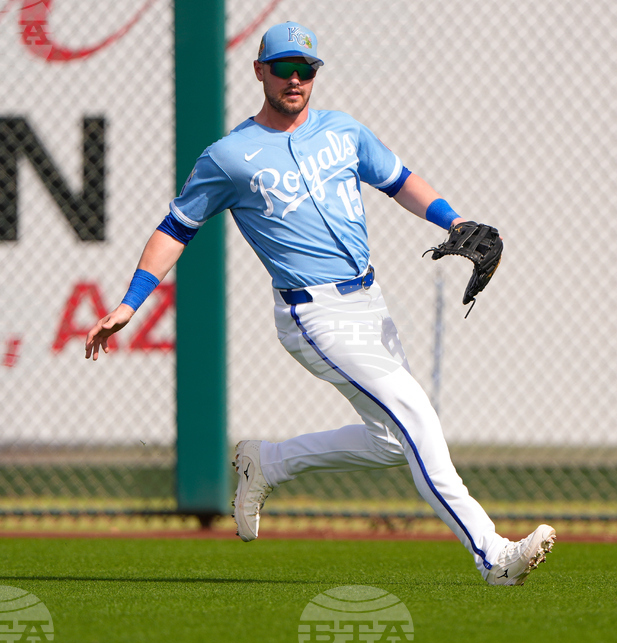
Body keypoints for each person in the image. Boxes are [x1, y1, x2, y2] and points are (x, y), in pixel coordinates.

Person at [85, 21, 555, 585]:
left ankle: (269, 461)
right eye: (282, 67)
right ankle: (493, 555)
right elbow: (175, 228)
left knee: (388, 440)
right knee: (415, 416)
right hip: (313, 315)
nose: (295, 79)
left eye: (306, 69)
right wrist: (131, 302)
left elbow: (400, 180)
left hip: (369, 305)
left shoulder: (343, 132)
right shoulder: (229, 156)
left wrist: (453, 219)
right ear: (259, 71)